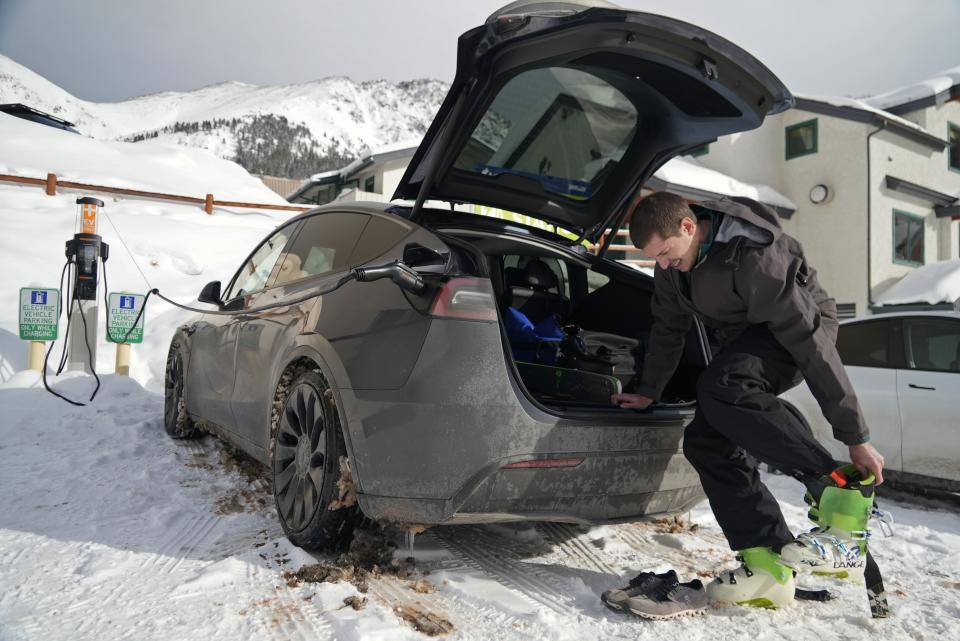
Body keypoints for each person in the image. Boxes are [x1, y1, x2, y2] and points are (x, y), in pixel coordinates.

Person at [609, 192, 885, 611]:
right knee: (705, 441)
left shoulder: (757, 254)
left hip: (798, 334)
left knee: (723, 384)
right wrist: (650, 390)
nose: (662, 265)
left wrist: (855, 434)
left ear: (688, 227)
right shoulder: (674, 267)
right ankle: (768, 564)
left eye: (665, 253)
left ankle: (841, 498)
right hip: (743, 343)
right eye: (654, 259)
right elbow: (669, 327)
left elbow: (809, 342)